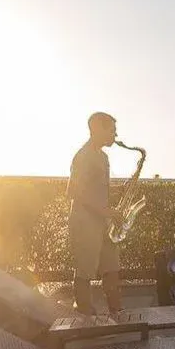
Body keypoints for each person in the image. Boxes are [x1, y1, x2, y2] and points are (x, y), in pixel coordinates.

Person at [67, 111, 122, 315]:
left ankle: (117, 313)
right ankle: (85, 317)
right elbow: (74, 192)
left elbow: (96, 190)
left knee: (112, 267)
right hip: (85, 222)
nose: (115, 136)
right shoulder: (83, 156)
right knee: (85, 270)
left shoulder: (103, 156)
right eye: (112, 131)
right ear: (97, 129)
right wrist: (107, 212)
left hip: (102, 222)